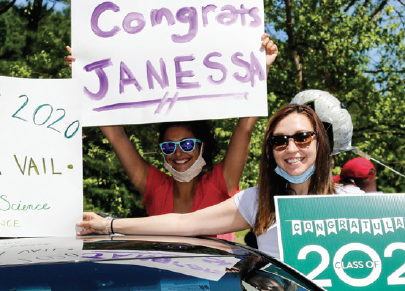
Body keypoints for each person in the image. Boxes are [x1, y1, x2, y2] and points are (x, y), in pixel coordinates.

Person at [77, 103, 363, 258]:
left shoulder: (354, 201)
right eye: (279, 141)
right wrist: (108, 224)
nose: (291, 148)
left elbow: (244, 126)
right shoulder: (257, 201)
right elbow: (182, 223)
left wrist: (258, 72)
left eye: (302, 138)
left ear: (320, 143)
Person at [66, 34, 279, 241]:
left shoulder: (219, 183)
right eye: (169, 146)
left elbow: (244, 129)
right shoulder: (155, 188)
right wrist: (86, 78)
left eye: (187, 144)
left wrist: (262, 68)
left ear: (202, 147)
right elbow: (117, 137)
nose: (178, 153)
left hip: (216, 277)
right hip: (163, 277)